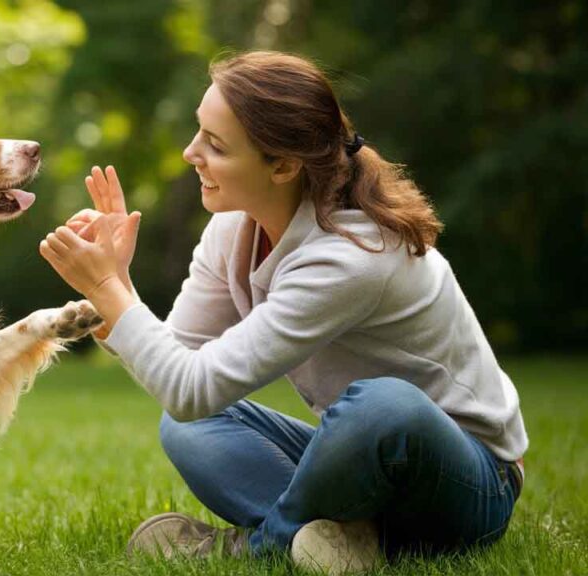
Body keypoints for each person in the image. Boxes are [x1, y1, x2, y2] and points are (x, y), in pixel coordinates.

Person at [38, 51, 526, 574]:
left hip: (469, 482)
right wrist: (119, 283)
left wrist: (108, 286)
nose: (189, 153)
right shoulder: (234, 225)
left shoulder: (352, 256)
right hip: (359, 460)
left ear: (284, 165)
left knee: (384, 406)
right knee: (189, 425)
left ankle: (259, 545)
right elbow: (179, 374)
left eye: (216, 145)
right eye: (198, 132)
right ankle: (343, 539)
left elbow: (188, 384)